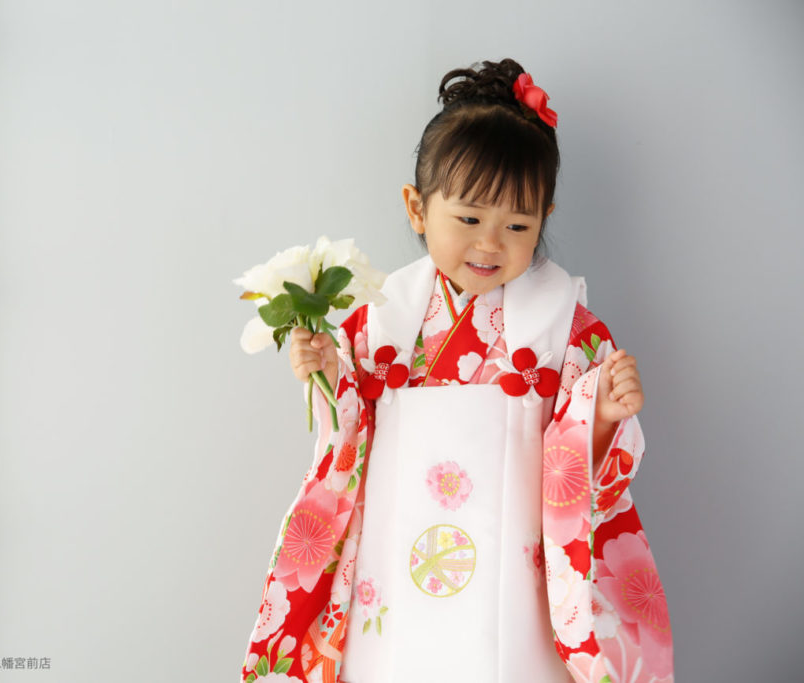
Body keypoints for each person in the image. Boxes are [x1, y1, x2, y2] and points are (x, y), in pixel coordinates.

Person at [240, 59, 673, 683]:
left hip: (514, 586)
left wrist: (598, 416)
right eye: (469, 219)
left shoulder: (569, 331)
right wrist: (328, 370)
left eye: (517, 226)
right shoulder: (380, 323)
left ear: (544, 218)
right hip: (394, 579)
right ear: (417, 208)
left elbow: (583, 473)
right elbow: (348, 438)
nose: (490, 244)